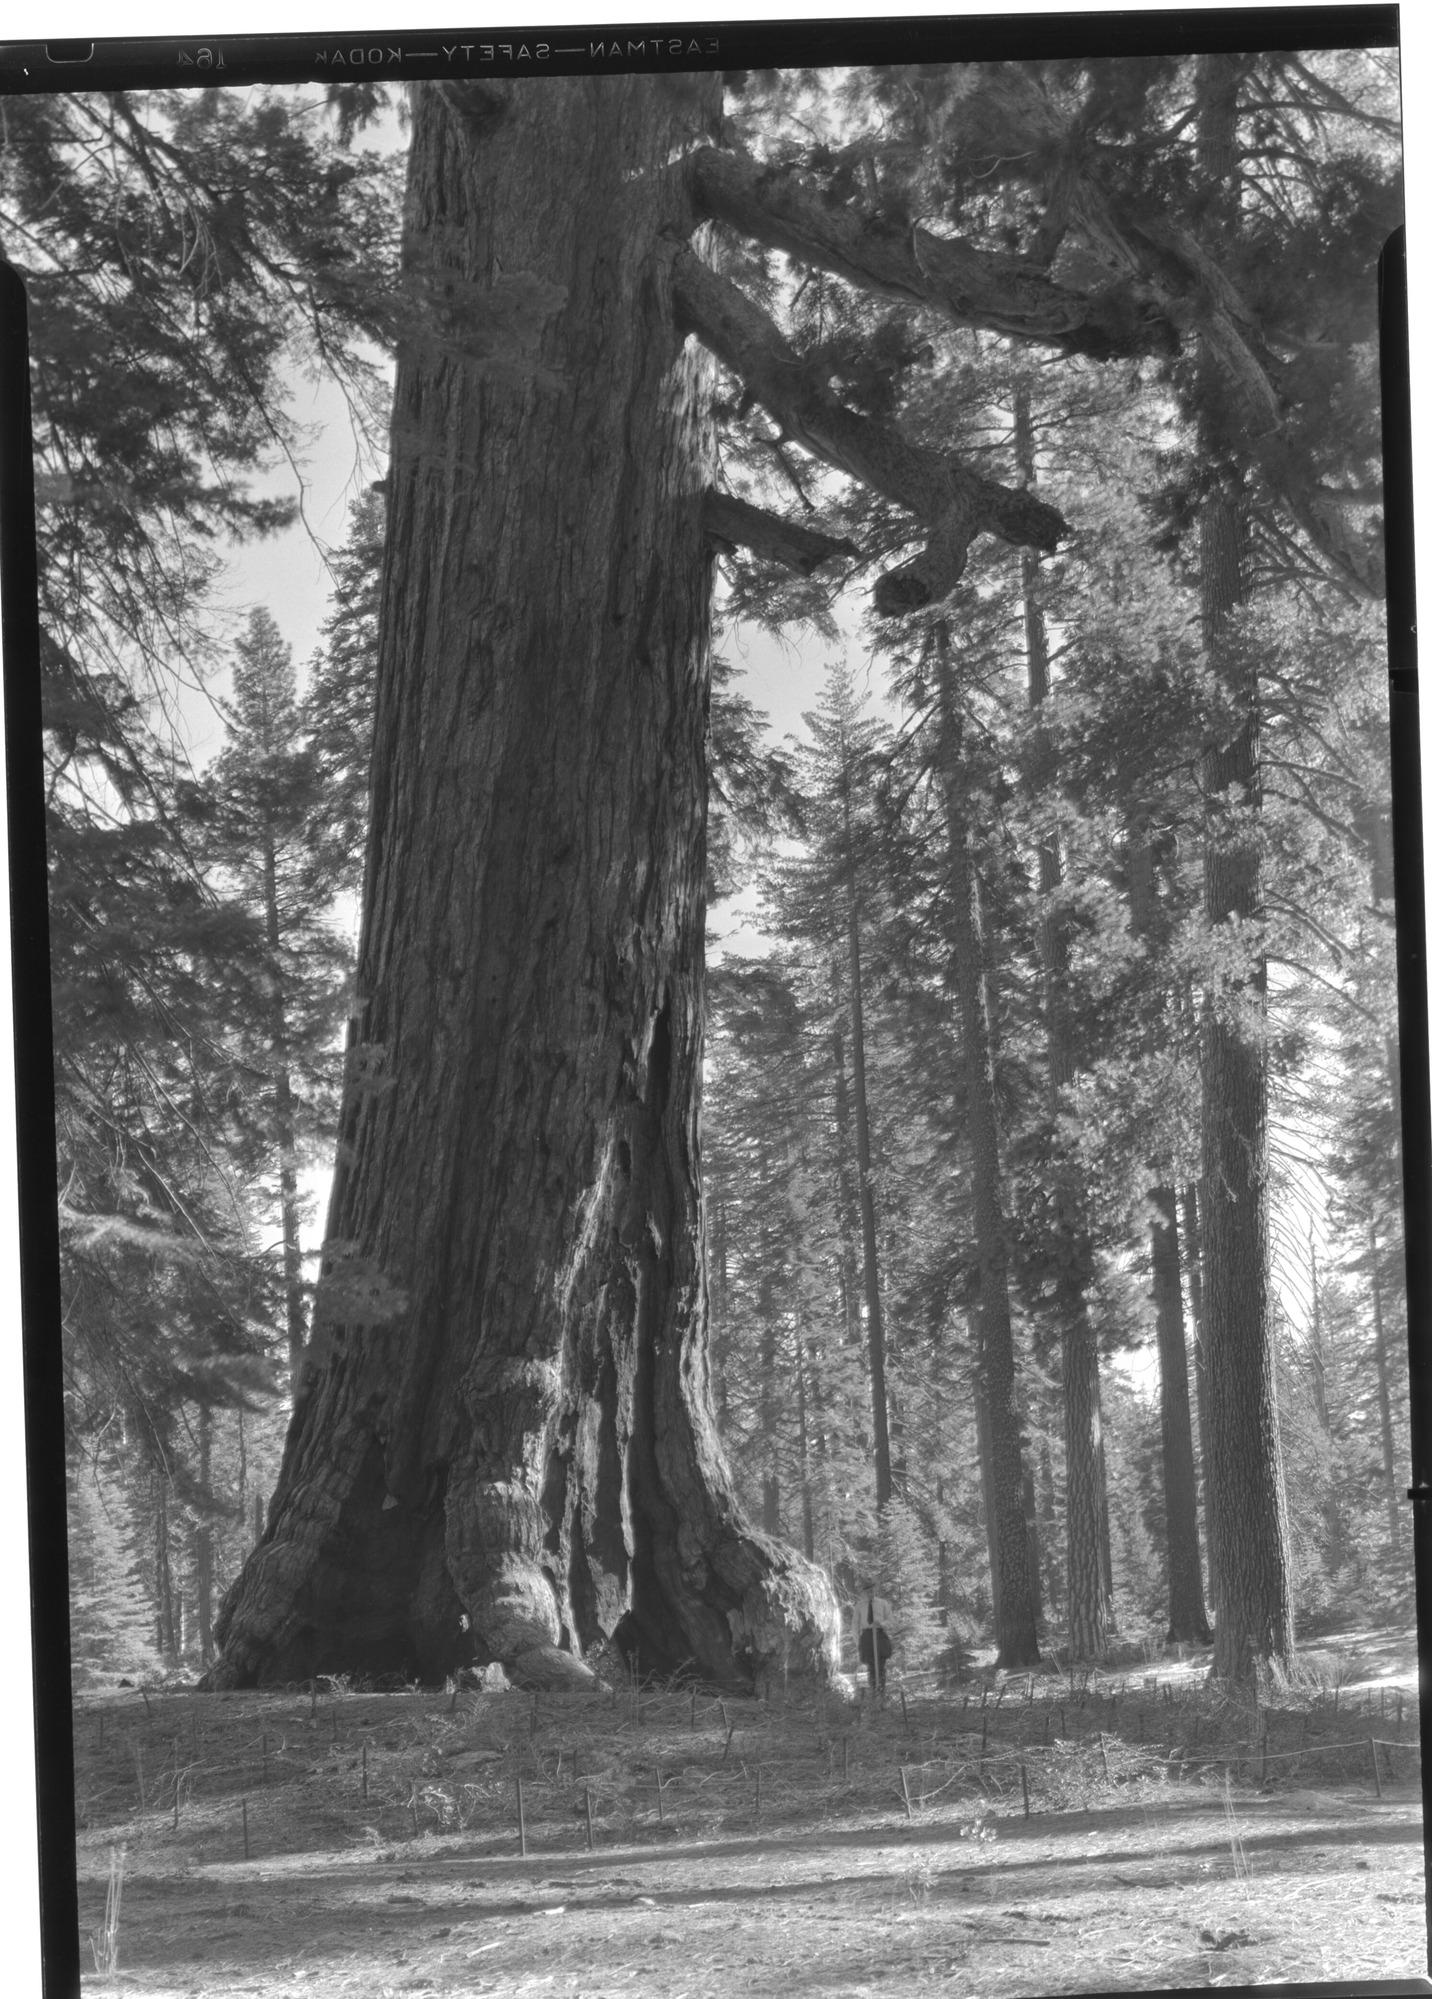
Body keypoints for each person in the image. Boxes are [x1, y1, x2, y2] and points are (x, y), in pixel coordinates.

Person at [853, 1584, 893, 1696]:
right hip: (866, 1637)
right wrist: (858, 1642)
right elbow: (855, 1625)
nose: (870, 1593)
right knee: (869, 1665)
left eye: (872, 1590)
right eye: (868, 1591)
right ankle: (871, 1693)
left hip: (879, 1635)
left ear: (875, 1590)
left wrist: (881, 1623)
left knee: (880, 1665)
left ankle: (880, 1693)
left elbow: (891, 1621)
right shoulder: (859, 1606)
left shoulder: (883, 1604)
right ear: (864, 1593)